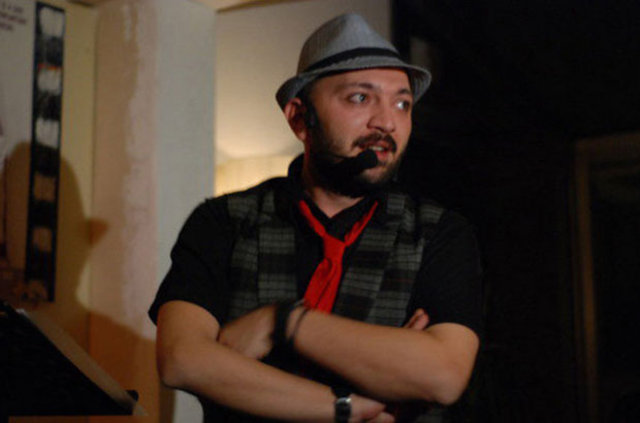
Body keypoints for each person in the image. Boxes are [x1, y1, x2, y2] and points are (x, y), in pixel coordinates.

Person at [149, 13, 482, 423]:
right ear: (298, 118)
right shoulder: (225, 222)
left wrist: (284, 323)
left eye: (402, 103)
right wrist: (350, 406)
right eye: (359, 98)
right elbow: (182, 359)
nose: (386, 121)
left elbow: (443, 376)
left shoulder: (437, 234)